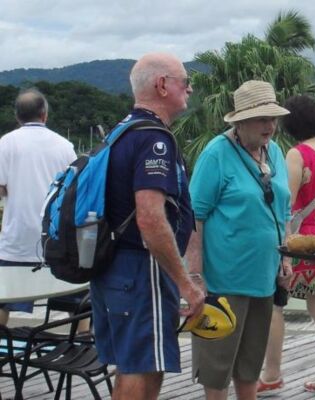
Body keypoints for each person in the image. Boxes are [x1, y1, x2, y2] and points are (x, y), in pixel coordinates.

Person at [90, 52, 205, 400]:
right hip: (140, 270)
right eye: (185, 82)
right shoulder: (154, 139)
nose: (189, 89)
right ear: (162, 85)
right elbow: (150, 218)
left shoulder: (121, 132)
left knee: (135, 364)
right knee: (141, 368)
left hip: (113, 268)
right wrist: (185, 282)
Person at [186, 80, 292, 400]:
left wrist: (286, 259)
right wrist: (194, 276)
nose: (270, 125)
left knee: (250, 367)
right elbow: (195, 217)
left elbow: (283, 210)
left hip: (264, 279)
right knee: (216, 370)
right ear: (240, 121)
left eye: (272, 118)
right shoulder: (216, 154)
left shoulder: (274, 151)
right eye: (262, 118)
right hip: (223, 282)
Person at [257, 95, 315, 396]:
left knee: (275, 302)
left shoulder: (297, 154)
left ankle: (272, 373)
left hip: (303, 241)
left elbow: (287, 203)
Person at [0, 88, 77, 326]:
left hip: (17, 238)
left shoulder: (6, 143)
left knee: (3, 299)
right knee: (75, 299)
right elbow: (74, 192)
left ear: (17, 116)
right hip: (55, 237)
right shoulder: (64, 146)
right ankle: (82, 343)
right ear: (44, 114)